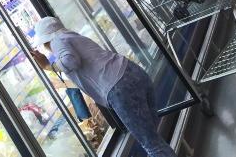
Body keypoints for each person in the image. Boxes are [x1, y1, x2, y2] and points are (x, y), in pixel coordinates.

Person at [30, 17, 176, 157]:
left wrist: (49, 66)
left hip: (119, 88)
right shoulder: (71, 36)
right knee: (154, 138)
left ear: (46, 40)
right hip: (132, 72)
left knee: (153, 145)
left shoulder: (56, 40)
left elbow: (70, 60)